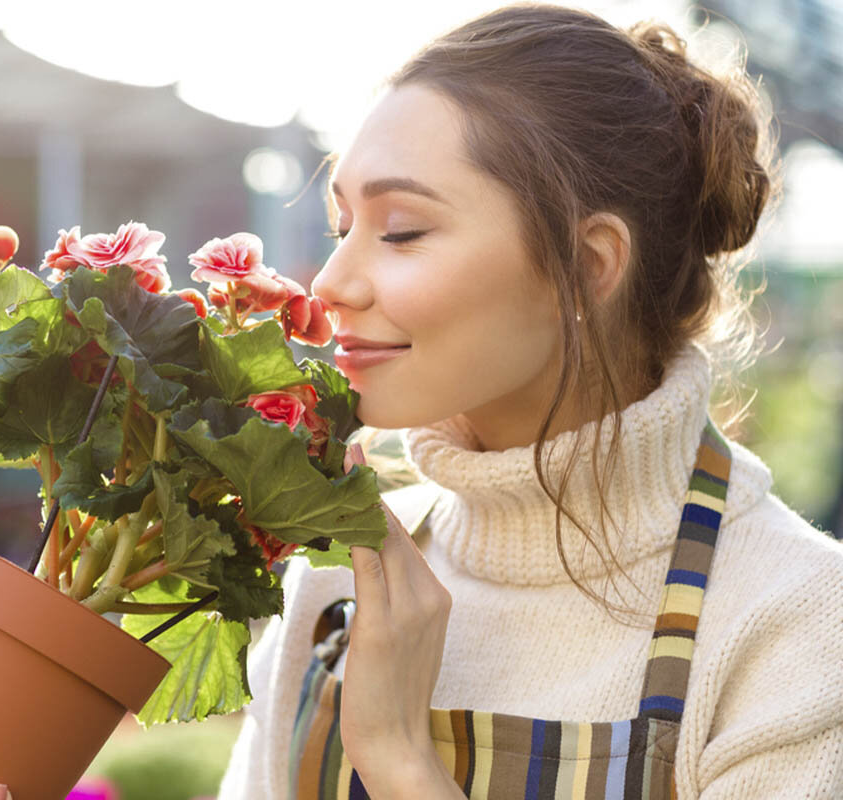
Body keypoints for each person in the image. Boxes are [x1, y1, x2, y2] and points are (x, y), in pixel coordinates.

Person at [217, 4, 843, 799]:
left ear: (588, 265)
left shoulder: (798, 623)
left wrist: (401, 759)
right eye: (343, 224)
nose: (331, 284)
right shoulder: (333, 582)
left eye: (401, 230)